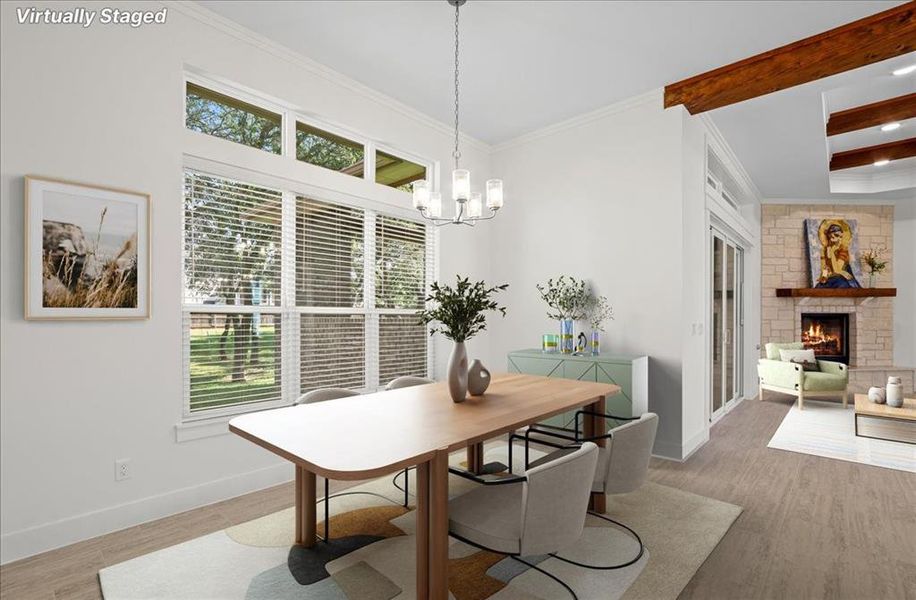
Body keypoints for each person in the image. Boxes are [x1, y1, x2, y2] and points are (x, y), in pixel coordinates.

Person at [816, 222, 860, 288]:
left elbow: (837, 270)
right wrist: (824, 277)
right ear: (829, 235)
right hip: (831, 278)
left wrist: (832, 251)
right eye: (836, 235)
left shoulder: (843, 250)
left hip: (843, 278)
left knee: (841, 285)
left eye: (841, 237)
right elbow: (825, 267)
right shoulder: (824, 250)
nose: (839, 239)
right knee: (819, 287)